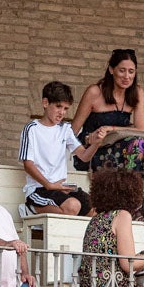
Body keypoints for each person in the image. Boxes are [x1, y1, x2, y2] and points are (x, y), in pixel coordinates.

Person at [71, 48, 144, 221]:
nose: (127, 76)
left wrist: (112, 128)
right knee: (138, 145)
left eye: (131, 71)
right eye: (122, 70)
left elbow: (142, 130)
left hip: (126, 149)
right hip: (93, 150)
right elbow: (71, 132)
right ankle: (137, 206)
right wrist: (90, 138)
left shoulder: (136, 92)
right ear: (111, 70)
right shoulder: (95, 92)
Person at [19, 81, 93, 216]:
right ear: (45, 103)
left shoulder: (65, 129)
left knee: (94, 208)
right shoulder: (31, 129)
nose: (62, 113)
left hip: (61, 188)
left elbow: (84, 155)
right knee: (73, 206)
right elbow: (28, 165)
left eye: (65, 109)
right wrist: (48, 184)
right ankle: (30, 209)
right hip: (39, 189)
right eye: (58, 106)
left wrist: (97, 144)